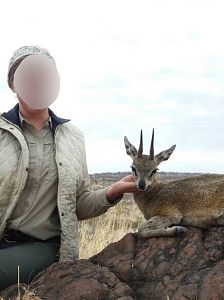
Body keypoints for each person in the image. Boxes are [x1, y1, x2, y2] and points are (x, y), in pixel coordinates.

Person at [0, 45, 139, 290]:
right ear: (14, 83)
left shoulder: (72, 137)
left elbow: (78, 204)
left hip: (43, 246)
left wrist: (112, 192)